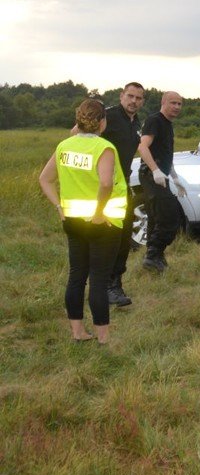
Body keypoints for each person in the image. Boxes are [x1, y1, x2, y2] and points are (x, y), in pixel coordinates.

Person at [38, 99, 128, 344]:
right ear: (102, 121)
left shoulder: (64, 146)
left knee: (76, 276)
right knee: (99, 279)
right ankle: (103, 338)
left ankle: (78, 332)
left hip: (73, 220)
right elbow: (107, 183)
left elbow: (44, 179)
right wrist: (99, 211)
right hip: (103, 223)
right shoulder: (104, 148)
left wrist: (59, 206)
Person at [102, 82, 145, 306]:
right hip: (104, 186)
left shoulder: (135, 121)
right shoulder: (107, 116)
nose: (134, 101)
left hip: (123, 185)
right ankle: (107, 287)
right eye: (130, 96)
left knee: (124, 237)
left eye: (138, 98)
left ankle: (114, 284)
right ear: (121, 96)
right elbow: (77, 136)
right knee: (111, 237)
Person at [137, 91, 186, 272]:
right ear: (163, 102)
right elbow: (142, 146)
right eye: (173, 103)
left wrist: (174, 176)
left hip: (160, 176)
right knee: (171, 216)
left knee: (155, 217)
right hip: (151, 176)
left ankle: (153, 257)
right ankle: (153, 254)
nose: (176, 107)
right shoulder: (155, 120)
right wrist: (155, 170)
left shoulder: (168, 124)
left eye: (180, 104)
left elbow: (165, 154)